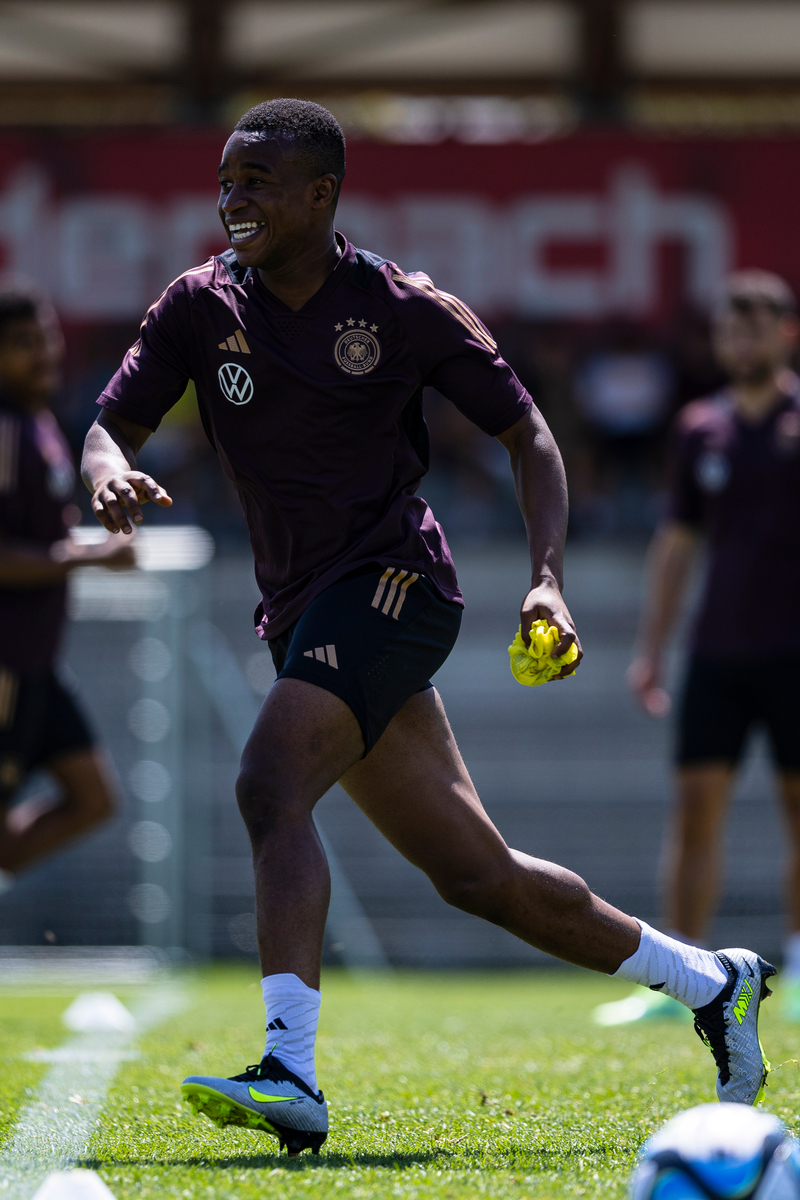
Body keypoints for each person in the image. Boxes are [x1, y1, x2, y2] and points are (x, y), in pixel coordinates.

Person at [82, 100, 775, 1156]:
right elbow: (108, 424)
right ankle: (711, 982)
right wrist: (107, 473)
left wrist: (545, 579)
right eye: (226, 180)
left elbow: (526, 432)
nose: (234, 199)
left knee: (269, 782)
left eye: (259, 181)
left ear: (323, 194)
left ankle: (288, 1070)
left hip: (396, 584)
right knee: (476, 876)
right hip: (301, 609)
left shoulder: (402, 306)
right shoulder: (196, 307)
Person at [629, 271, 800, 1003]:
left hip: (797, 654)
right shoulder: (701, 426)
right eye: (732, 327)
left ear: (787, 332)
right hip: (717, 651)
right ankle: (686, 980)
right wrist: (653, 648)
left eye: (757, 325)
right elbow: (677, 543)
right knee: (695, 812)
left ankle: (798, 971)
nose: (743, 339)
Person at [0, 289, 133, 889]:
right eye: (23, 344)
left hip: (36, 662)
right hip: (6, 662)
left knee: (93, 797)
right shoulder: (3, 430)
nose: (44, 353)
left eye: (46, 337)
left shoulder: (39, 423)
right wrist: (90, 556)